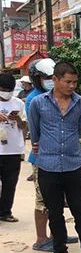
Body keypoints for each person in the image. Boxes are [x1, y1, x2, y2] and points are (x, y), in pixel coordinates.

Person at [28, 61, 81, 253]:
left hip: (72, 165)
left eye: (75, 82)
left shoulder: (80, 104)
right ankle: (59, 252)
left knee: (80, 211)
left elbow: (80, 130)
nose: (72, 86)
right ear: (55, 80)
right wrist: (43, 147)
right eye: (68, 82)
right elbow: (35, 132)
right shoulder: (38, 103)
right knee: (54, 212)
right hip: (48, 166)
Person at [25, 58, 77, 251]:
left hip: (61, 159)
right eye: (46, 77)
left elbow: (77, 129)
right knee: (43, 200)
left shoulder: (68, 99)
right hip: (43, 158)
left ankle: (58, 234)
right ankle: (41, 238)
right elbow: (35, 131)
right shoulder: (35, 99)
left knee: (57, 200)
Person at [0, 74, 27, 222]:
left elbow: (24, 127)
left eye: (9, 90)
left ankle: (5, 211)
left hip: (13, 150)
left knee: (10, 183)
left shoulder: (18, 104)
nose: (7, 93)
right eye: (4, 90)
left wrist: (17, 119)